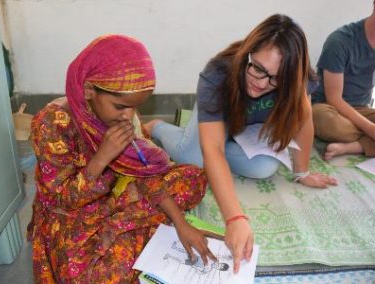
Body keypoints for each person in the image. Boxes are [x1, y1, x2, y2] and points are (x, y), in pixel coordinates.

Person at [145, 14, 338, 272]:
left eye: (275, 78)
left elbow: (304, 120)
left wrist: (301, 171)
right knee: (196, 159)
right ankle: (158, 126)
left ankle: (208, 141)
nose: (260, 83)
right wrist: (235, 218)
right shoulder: (218, 73)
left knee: (264, 169)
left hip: (245, 128)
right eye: (257, 68)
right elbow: (213, 149)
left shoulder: (297, 80)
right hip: (217, 118)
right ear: (248, 52)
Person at [27, 34, 216, 283]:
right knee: (88, 276)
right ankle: (128, 230)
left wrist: (181, 224)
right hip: (72, 211)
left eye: (134, 107)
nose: (128, 117)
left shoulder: (122, 117)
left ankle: (123, 229)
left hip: (118, 195)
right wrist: (103, 157)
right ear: (88, 91)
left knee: (193, 177)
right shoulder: (51, 124)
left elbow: (144, 174)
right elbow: (61, 198)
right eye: (120, 107)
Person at [312, 1, 375, 160]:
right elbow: (334, 99)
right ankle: (367, 141)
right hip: (328, 107)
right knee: (326, 121)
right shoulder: (340, 41)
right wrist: (370, 129)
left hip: (361, 108)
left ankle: (355, 147)